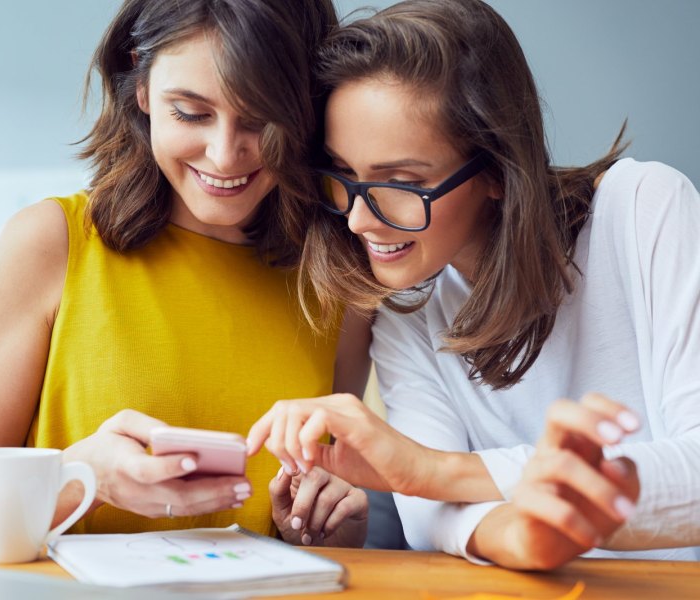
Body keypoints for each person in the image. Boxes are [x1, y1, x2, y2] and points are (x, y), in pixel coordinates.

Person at [247, 0, 700, 569]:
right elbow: (428, 515)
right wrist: (522, 536)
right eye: (344, 176)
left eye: (403, 182)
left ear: (497, 171)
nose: (359, 220)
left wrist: (434, 470)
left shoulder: (643, 211)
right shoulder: (406, 303)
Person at [0, 0, 370, 549]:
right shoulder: (50, 243)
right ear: (140, 84)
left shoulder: (338, 286)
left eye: (261, 119)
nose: (225, 155)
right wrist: (79, 479)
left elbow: (311, 519)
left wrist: (331, 524)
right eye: (191, 112)